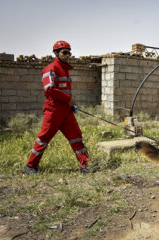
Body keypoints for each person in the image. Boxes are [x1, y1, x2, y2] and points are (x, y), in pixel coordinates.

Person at [24, 40, 91, 174]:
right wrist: (69, 99)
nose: (67, 55)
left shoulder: (65, 70)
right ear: (56, 53)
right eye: (64, 53)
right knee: (43, 139)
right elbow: (49, 89)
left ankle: (85, 166)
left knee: (76, 137)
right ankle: (30, 166)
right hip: (53, 111)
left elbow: (64, 91)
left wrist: (71, 105)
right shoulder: (50, 69)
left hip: (66, 111)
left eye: (69, 53)